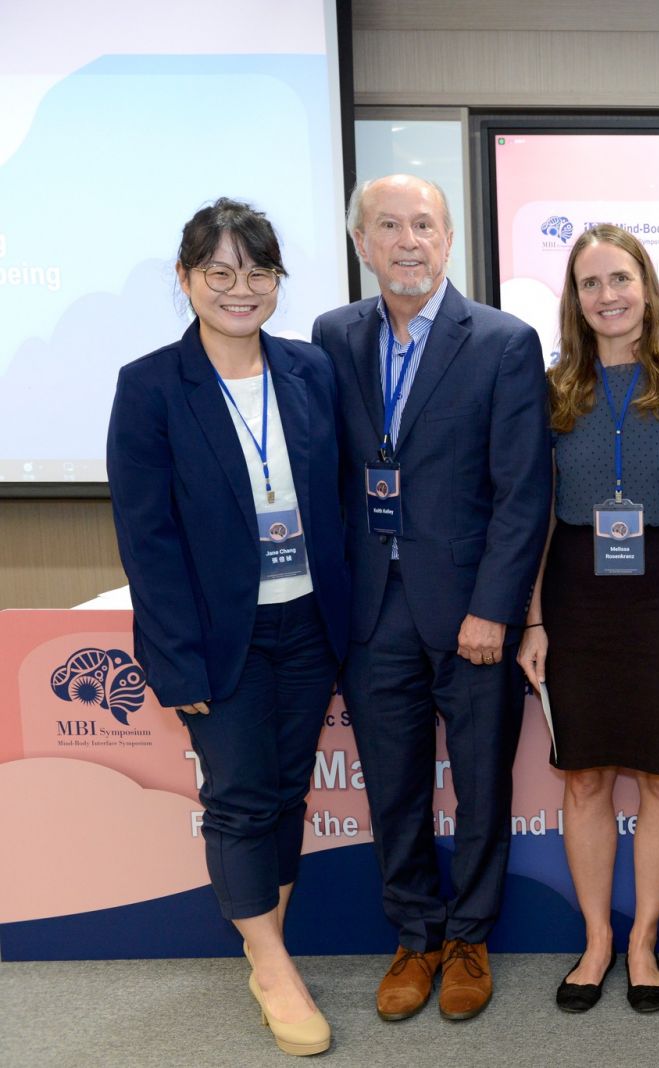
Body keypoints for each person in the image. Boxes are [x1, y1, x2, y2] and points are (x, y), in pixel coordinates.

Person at [107, 198, 351, 1057]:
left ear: (278, 280)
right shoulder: (150, 386)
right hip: (218, 638)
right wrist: (177, 662)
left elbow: (338, 497)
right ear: (186, 279)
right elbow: (147, 539)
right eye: (219, 271)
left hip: (311, 623)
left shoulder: (310, 369)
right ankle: (275, 967)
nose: (239, 289)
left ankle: (264, 948)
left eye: (258, 271)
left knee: (287, 791)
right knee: (241, 796)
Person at [311, 175, 550, 1024]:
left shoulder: (504, 342)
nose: (407, 240)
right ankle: (415, 936)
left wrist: (496, 608)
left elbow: (522, 492)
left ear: (449, 239)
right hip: (372, 611)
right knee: (394, 788)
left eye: (423, 224)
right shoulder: (333, 335)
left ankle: (471, 938)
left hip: (472, 613)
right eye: (388, 225)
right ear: (361, 243)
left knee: (481, 786)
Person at [514, 224, 659, 1014]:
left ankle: (643, 940)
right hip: (577, 596)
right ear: (574, 300)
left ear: (646, 286)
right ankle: (597, 940)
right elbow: (537, 514)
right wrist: (533, 620)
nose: (606, 296)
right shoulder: (551, 390)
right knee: (584, 777)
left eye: (620, 279)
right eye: (590, 283)